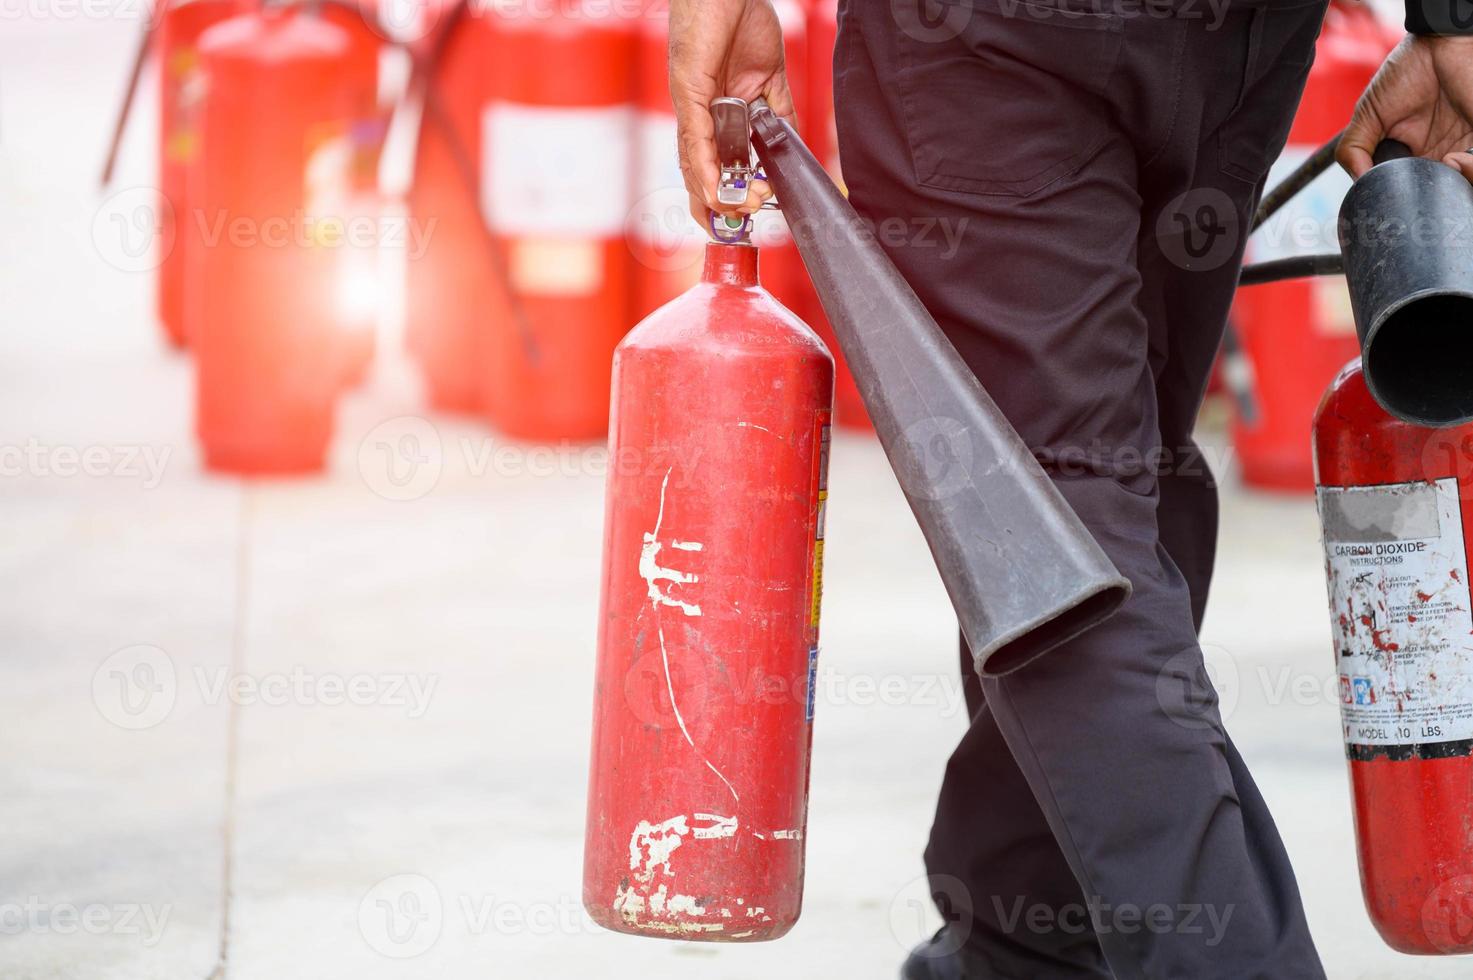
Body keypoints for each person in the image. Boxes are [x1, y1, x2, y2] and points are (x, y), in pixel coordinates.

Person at [668, 0, 1473, 977]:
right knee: (1111, 494)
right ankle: (1025, 943)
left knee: (1063, 554)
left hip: (988, 41)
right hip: (1236, 37)